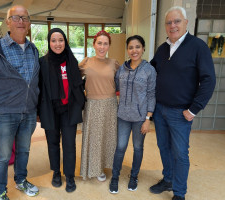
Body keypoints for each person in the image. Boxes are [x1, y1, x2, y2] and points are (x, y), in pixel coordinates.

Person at [149, 6, 216, 200]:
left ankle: (179, 193)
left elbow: (209, 80)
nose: (173, 25)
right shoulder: (162, 49)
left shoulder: (197, 47)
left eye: (177, 21)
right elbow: (150, 72)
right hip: (160, 109)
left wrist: (194, 109)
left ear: (186, 22)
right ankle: (168, 179)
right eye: (169, 22)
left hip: (181, 113)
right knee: (163, 147)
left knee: (180, 153)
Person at [0, 5, 40, 200]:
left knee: (24, 150)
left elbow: (35, 82)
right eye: (16, 18)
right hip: (4, 113)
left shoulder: (33, 49)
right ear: (8, 22)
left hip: (28, 112)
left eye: (25, 18)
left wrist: (36, 108)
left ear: (29, 23)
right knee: (3, 157)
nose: (21, 21)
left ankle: (21, 180)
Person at [38, 28, 85, 193]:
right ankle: (56, 172)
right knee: (52, 143)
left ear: (65, 42)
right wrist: (38, 112)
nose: (57, 44)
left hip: (69, 109)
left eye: (61, 40)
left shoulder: (72, 60)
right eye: (54, 40)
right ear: (49, 43)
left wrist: (81, 103)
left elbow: (78, 85)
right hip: (49, 109)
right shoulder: (42, 62)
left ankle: (70, 175)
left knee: (69, 144)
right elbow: (39, 88)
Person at [109, 35, 156, 194]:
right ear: (127, 50)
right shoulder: (121, 68)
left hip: (140, 118)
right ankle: (115, 177)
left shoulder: (149, 70)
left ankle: (134, 176)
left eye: (137, 47)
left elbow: (151, 94)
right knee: (120, 147)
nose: (134, 50)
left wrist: (148, 118)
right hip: (122, 116)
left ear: (143, 48)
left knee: (138, 147)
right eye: (131, 47)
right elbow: (113, 85)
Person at [79, 30, 119, 181]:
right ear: (94, 44)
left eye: (105, 44)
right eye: (99, 43)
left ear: (109, 46)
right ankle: (94, 168)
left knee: (108, 138)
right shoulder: (86, 62)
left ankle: (104, 165)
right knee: (94, 138)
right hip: (93, 105)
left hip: (110, 105)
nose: (102, 47)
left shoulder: (114, 63)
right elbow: (72, 79)